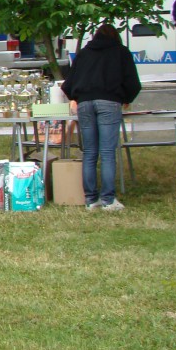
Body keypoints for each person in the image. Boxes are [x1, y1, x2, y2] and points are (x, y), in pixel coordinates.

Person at [61, 24, 142, 211]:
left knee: (89, 152)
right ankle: (108, 199)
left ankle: (90, 199)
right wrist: (126, 98)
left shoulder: (83, 53)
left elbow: (68, 83)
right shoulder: (121, 52)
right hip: (109, 101)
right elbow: (132, 82)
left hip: (85, 103)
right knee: (107, 152)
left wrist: (77, 97)